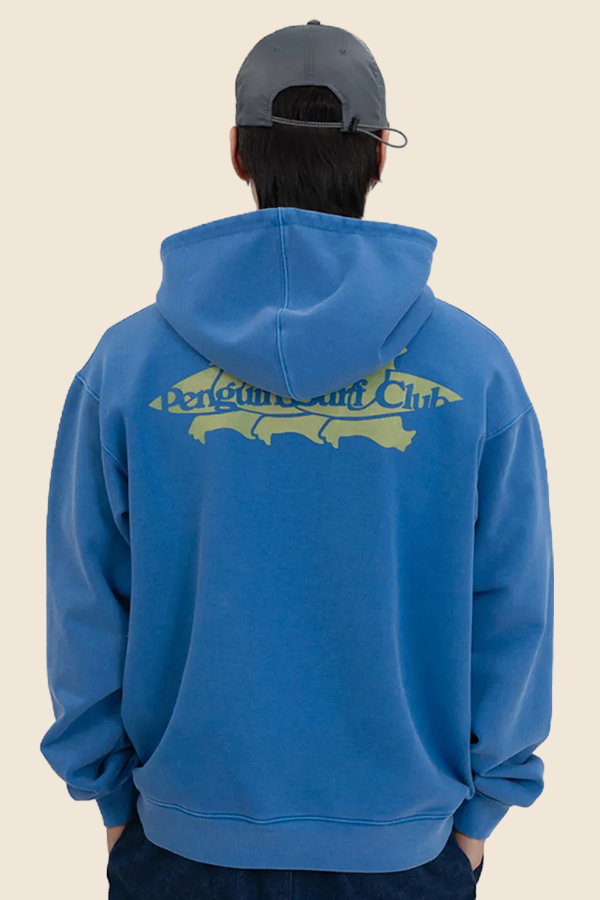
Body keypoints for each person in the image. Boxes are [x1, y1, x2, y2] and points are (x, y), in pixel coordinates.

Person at [40, 20, 554, 900]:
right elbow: (514, 607)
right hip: (403, 849)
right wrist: (479, 817)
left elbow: (85, 602)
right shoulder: (473, 369)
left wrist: (112, 801)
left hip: (180, 842)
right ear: (378, 156)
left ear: (238, 151)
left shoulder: (127, 366)